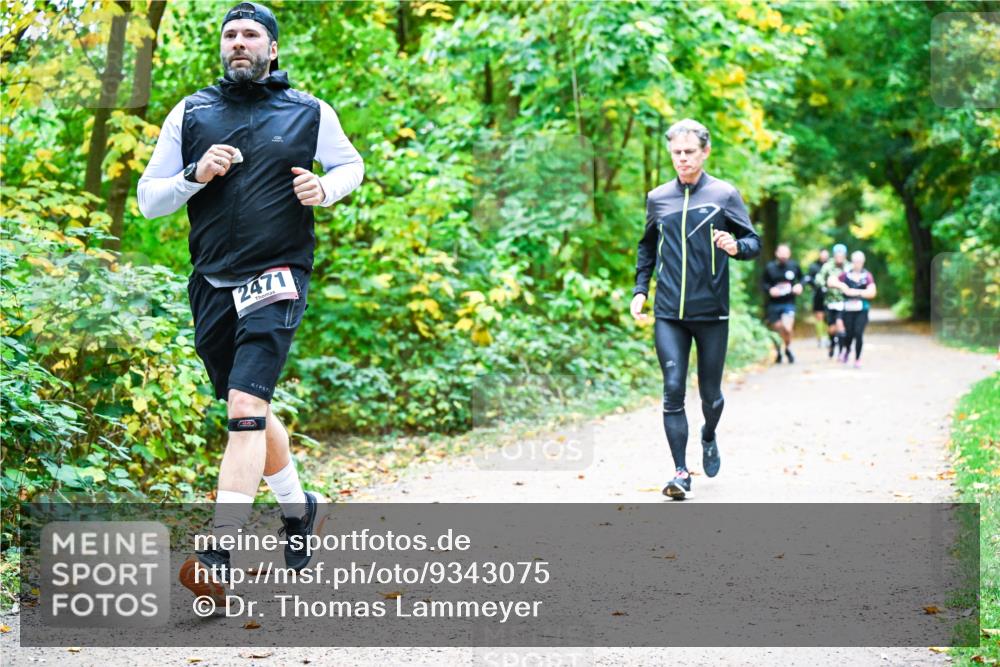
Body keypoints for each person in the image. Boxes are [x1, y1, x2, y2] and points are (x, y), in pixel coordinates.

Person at [136, 2, 364, 600]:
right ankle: (299, 509)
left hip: (277, 275)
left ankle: (218, 551)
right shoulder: (191, 113)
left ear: (272, 48)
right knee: (253, 411)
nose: (239, 42)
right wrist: (194, 174)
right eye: (231, 35)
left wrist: (326, 188)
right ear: (223, 47)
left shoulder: (310, 112)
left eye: (251, 35)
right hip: (210, 282)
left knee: (243, 408)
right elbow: (148, 200)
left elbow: (351, 165)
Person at [631, 119, 761, 500]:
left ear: (705, 152)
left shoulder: (724, 194)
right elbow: (647, 247)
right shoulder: (658, 198)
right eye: (676, 153)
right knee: (672, 389)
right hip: (669, 313)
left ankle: (708, 433)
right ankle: (680, 473)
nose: (683, 159)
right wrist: (641, 289)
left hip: (711, 313)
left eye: (689, 152)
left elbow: (753, 241)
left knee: (711, 397)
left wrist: (736, 248)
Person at [831, 251, 877, 368]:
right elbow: (831, 281)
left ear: (863, 262)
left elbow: (872, 292)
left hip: (862, 309)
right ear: (852, 262)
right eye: (855, 261)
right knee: (848, 334)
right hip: (848, 310)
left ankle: (857, 359)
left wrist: (856, 292)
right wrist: (842, 286)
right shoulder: (846, 275)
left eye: (859, 261)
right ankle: (846, 350)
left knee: (858, 333)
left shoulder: (867, 276)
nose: (857, 263)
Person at [761, 243, 803, 364]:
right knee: (777, 329)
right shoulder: (770, 267)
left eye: (786, 253)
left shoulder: (794, 266)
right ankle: (779, 350)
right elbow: (763, 283)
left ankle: (788, 348)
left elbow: (802, 279)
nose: (784, 255)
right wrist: (770, 290)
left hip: (789, 302)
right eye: (781, 252)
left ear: (789, 254)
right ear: (777, 253)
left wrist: (799, 285)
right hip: (774, 304)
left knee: (787, 328)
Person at [816, 244, 849, 359]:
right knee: (832, 329)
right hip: (830, 301)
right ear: (834, 255)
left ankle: (842, 351)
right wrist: (825, 285)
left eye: (842, 255)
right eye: (837, 255)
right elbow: (819, 279)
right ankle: (832, 344)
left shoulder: (849, 267)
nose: (839, 257)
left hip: (844, 301)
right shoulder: (827, 266)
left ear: (845, 255)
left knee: (841, 325)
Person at [804, 247, 830, 348]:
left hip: (830, 295)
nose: (824, 257)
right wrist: (814, 286)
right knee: (819, 316)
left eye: (826, 255)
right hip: (818, 295)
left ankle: (828, 337)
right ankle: (821, 338)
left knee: (828, 317)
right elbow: (808, 279)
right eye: (822, 255)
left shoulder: (831, 266)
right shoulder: (813, 266)